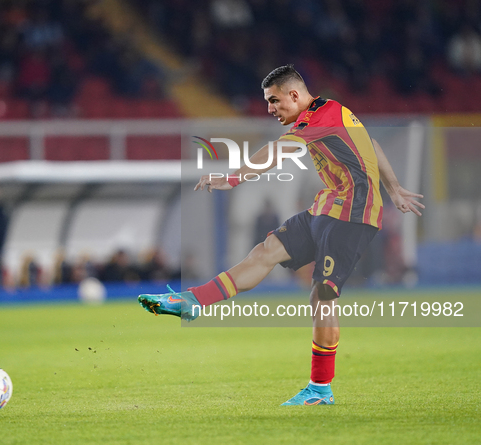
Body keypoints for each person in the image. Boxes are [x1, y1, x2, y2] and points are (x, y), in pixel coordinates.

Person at [137, 65, 425, 406]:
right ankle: (194, 300)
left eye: (274, 101)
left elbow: (276, 152)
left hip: (354, 214)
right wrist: (394, 189)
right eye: (267, 102)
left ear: (294, 95)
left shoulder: (316, 120)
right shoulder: (335, 111)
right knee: (266, 251)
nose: (271, 109)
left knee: (322, 298)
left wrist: (232, 178)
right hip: (327, 207)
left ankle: (320, 390)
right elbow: (372, 143)